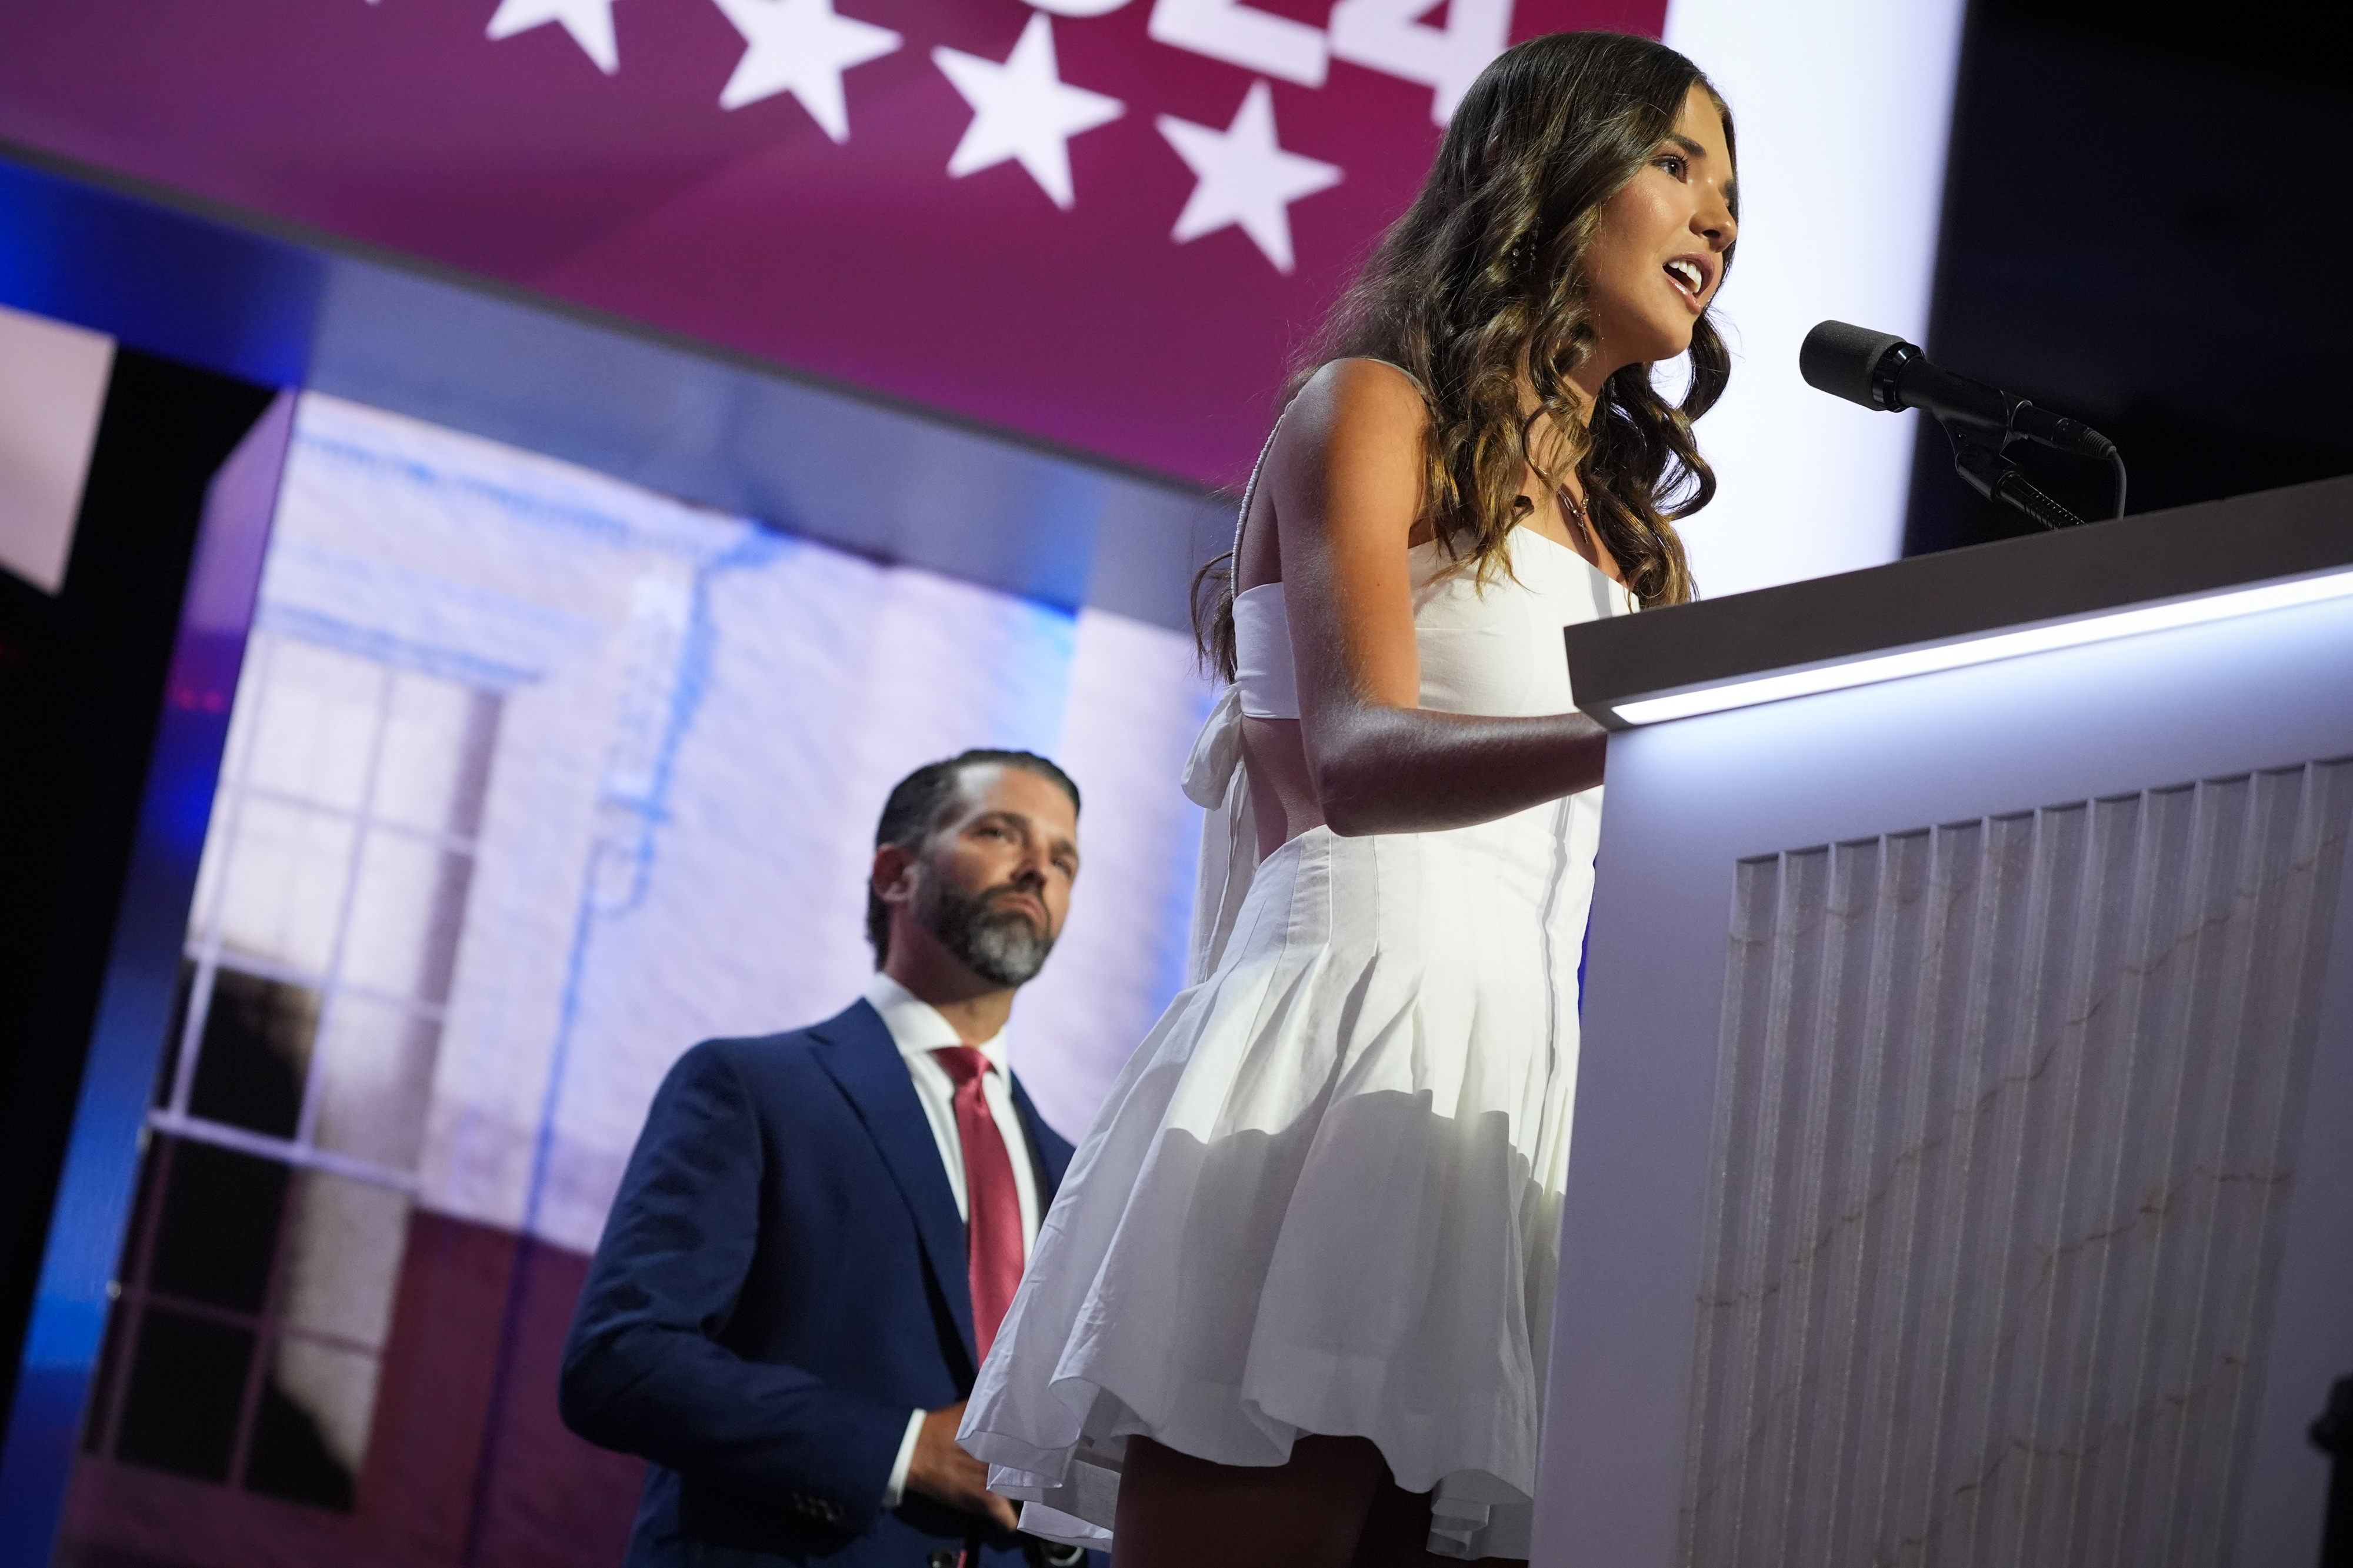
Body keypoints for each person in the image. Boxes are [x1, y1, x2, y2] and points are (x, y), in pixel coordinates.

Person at [958, 32, 1737, 1568]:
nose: (1718, 218)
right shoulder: (1374, 410)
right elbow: (1364, 762)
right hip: (1347, 1044)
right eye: (1677, 164)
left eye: (1732, 190)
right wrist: (1653, 723)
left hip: (1514, 1090)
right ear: (1554, 172)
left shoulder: (1636, 545)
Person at [561, 749, 1098, 1568]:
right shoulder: (752, 1088)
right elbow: (622, 1361)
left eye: (1063, 860)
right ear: (894, 874)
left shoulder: (1077, 1179)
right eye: (1001, 832)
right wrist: (905, 1448)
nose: (1038, 870)